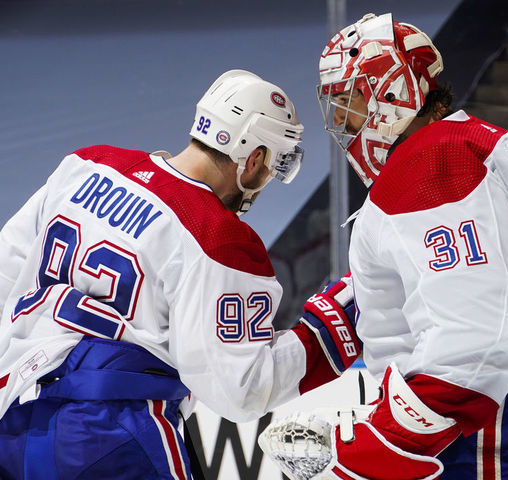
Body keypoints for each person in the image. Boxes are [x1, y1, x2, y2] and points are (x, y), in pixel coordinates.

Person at [260, 13, 508, 480]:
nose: (342, 122)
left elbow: (481, 336)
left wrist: (383, 445)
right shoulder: (471, 142)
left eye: (351, 101)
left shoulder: (434, 162)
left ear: (394, 93)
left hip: (503, 415)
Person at [0, 69, 360, 479]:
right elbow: (239, 388)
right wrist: (332, 327)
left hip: (15, 412)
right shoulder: (216, 235)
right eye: (271, 167)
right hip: (109, 435)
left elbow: (6, 271)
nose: (264, 183)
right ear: (254, 158)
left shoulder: (86, 164)